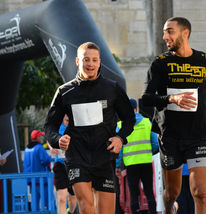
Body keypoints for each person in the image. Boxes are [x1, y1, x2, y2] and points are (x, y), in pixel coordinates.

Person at [45, 41, 136, 214]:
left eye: (94, 60)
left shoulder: (112, 88)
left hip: (104, 156)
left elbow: (129, 118)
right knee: (87, 207)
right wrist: (58, 140)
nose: (90, 64)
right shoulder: (65, 92)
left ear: (99, 62)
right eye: (86, 59)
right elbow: (49, 126)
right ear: (78, 61)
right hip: (77, 156)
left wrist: (120, 138)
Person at [141, 17, 206, 214]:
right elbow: (146, 98)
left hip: (199, 136)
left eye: (170, 31)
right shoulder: (161, 63)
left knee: (201, 192)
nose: (164, 37)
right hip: (170, 138)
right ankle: (169, 208)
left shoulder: (203, 61)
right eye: (164, 32)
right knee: (172, 192)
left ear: (185, 33)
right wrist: (172, 99)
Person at [116, 98, 159, 214]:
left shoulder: (120, 125)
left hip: (130, 164)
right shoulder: (147, 122)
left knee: (133, 193)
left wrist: (117, 165)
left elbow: (118, 149)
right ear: (136, 108)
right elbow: (155, 142)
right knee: (149, 191)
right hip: (146, 162)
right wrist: (149, 152)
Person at [48, 115, 78, 214]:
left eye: (69, 120)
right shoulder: (56, 125)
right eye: (66, 119)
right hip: (60, 164)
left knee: (73, 198)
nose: (67, 121)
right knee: (61, 198)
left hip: (73, 164)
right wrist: (51, 147)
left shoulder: (75, 126)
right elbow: (49, 137)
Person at [23, 129, 52, 210]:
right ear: (37, 137)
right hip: (42, 181)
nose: (42, 138)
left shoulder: (26, 149)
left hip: (32, 182)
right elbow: (45, 160)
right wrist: (50, 157)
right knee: (49, 203)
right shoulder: (39, 148)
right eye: (40, 136)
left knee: (34, 205)